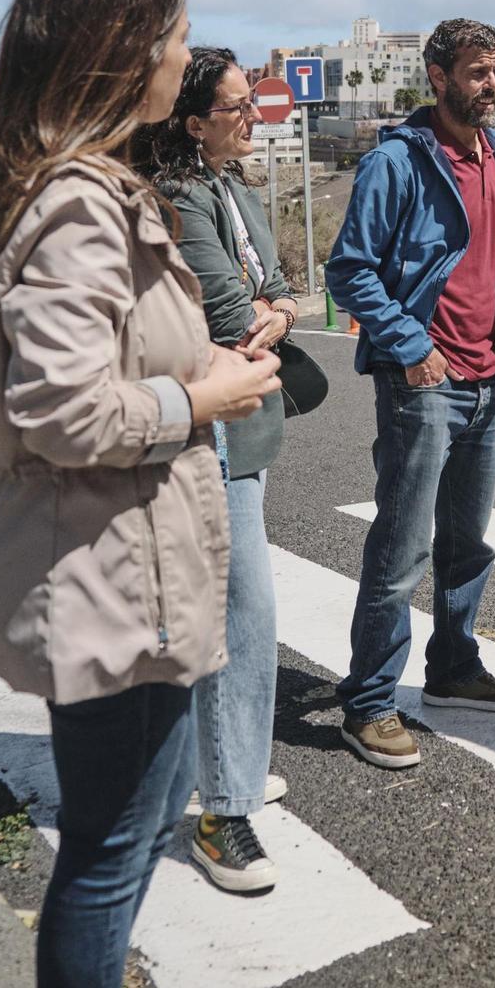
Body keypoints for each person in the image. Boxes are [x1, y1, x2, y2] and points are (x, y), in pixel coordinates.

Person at [0, 0, 280, 988]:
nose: (188, 56)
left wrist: (209, 369)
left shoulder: (38, 181)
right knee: (112, 855)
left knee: (117, 843)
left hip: (109, 563)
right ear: (120, 54)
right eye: (176, 36)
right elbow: (62, 408)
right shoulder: (79, 204)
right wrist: (205, 397)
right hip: (113, 574)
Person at [325, 17, 495, 768]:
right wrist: (413, 350)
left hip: (493, 380)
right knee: (402, 547)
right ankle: (370, 703)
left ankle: (452, 669)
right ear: (438, 77)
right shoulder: (397, 163)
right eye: (478, 72)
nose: (492, 85)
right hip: (426, 385)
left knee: (466, 543)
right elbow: (350, 271)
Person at [136, 48, 298, 895]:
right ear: (194, 123)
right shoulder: (181, 197)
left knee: (229, 606)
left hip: (245, 415)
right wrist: (266, 310)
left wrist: (273, 308)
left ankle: (223, 763)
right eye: (237, 107)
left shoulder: (235, 190)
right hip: (205, 422)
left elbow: (278, 289)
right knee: (243, 606)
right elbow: (235, 310)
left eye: (253, 103)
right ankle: (222, 808)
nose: (254, 117)